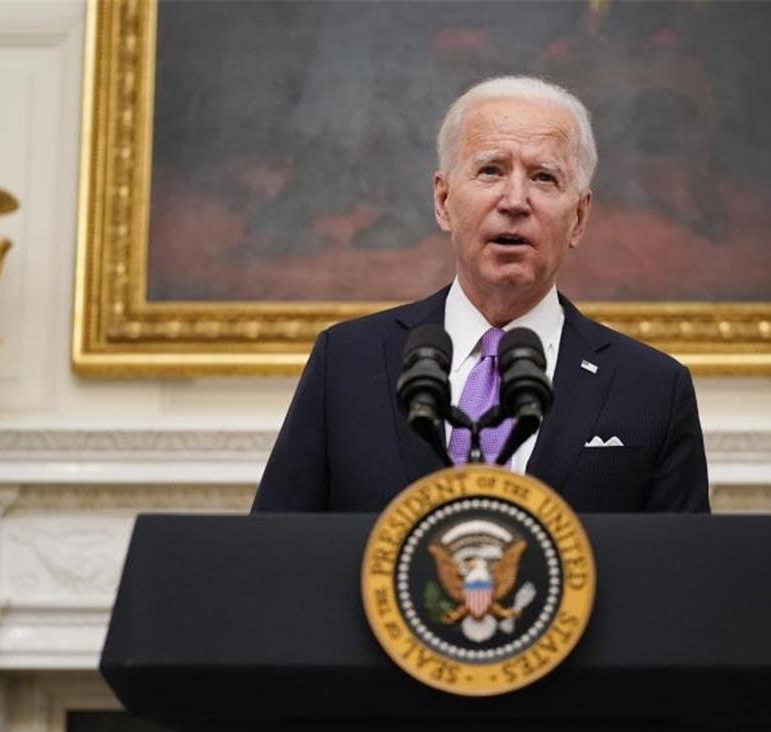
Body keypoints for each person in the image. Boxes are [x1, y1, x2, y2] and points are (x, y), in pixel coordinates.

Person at [252, 76, 709, 514]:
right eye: (490, 170)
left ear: (580, 217)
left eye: (544, 178)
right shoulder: (347, 361)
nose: (515, 200)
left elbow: (678, 576)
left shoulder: (652, 388)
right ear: (443, 201)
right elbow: (276, 550)